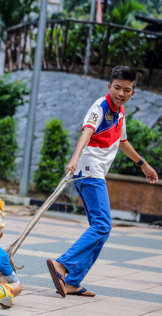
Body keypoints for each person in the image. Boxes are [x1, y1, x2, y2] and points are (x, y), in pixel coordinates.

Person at [47, 65, 159, 297]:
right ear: (109, 86)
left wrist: (143, 165)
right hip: (89, 170)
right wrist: (74, 158)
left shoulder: (120, 112)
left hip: (93, 172)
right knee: (102, 225)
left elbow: (122, 141)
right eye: (117, 88)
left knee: (101, 229)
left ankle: (73, 281)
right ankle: (62, 264)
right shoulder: (100, 107)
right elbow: (86, 132)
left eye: (126, 90)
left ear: (132, 92)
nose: (120, 93)